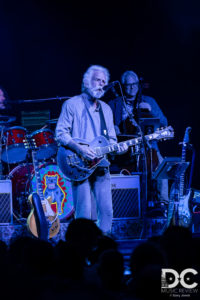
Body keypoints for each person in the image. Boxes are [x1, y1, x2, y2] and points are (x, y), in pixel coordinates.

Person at [56, 65, 126, 234]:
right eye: (97, 80)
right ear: (87, 81)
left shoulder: (106, 109)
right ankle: (82, 250)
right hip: (79, 165)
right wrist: (79, 149)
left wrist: (120, 148)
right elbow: (60, 133)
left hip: (101, 166)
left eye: (104, 81)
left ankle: (104, 246)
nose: (101, 84)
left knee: (107, 211)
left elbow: (111, 141)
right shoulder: (71, 104)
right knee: (84, 214)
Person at [108, 70, 169, 209]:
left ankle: (163, 204)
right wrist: (113, 129)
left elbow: (164, 123)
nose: (132, 87)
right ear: (122, 86)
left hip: (148, 147)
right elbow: (104, 127)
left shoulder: (149, 101)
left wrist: (150, 111)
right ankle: (124, 205)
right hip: (124, 149)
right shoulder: (114, 104)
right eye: (128, 85)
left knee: (161, 167)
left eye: (134, 84)